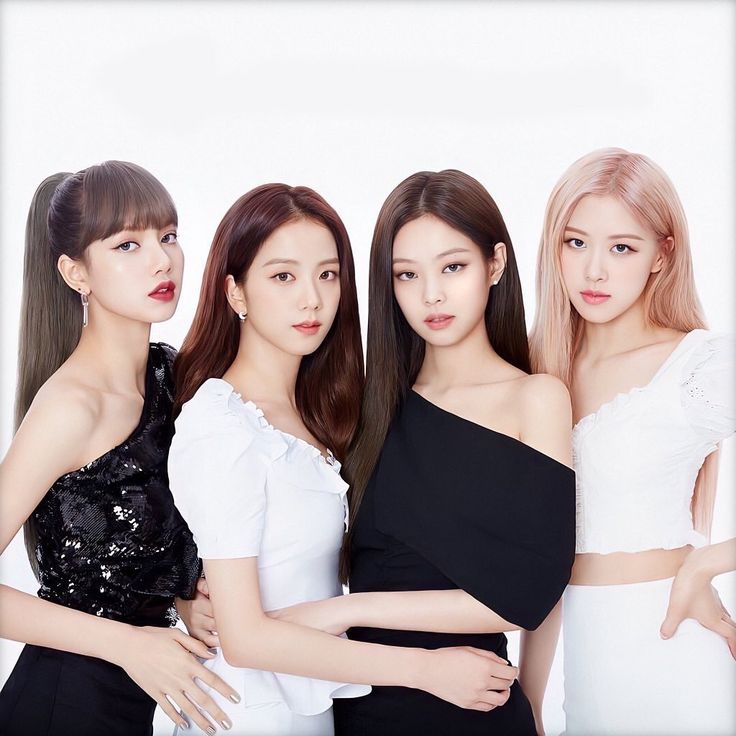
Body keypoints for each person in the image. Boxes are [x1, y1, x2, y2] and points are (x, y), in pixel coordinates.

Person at [169, 182, 520, 736]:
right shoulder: (223, 425)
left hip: (318, 706)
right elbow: (244, 638)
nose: (311, 298)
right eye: (283, 276)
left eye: (327, 274)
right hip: (245, 711)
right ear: (235, 293)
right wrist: (425, 669)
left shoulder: (324, 415)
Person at [255, 170, 574, 736]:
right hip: (364, 704)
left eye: (453, 267)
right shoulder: (361, 406)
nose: (431, 295)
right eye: (407, 275)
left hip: (476, 702)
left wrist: (349, 610)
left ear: (495, 265)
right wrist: (198, 596)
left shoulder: (536, 399)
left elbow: (529, 593)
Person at [0, 161, 239, 736]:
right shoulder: (71, 406)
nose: (162, 260)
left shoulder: (173, 377)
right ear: (75, 272)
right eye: (128, 244)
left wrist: (182, 598)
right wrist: (128, 644)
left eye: (169, 236)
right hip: (64, 699)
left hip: (138, 698)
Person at [529, 147, 736, 735]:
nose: (594, 270)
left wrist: (707, 565)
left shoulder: (696, 365)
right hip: (586, 671)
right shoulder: (537, 372)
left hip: (675, 649)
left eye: (622, 247)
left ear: (661, 255)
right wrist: (530, 701)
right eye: (576, 243)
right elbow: (543, 563)